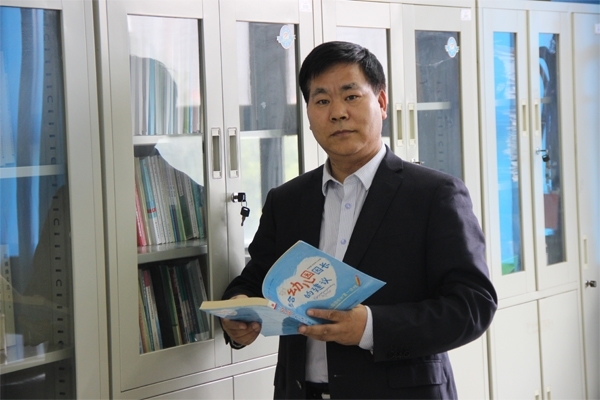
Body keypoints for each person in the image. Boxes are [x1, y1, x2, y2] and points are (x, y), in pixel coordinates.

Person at [220, 41, 497, 399]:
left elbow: (472, 305)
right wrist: (237, 313)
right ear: (309, 114)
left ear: (381, 102)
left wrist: (371, 327)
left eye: (351, 96)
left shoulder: (434, 194)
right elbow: (257, 279)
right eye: (322, 101)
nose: (337, 113)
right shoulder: (286, 201)